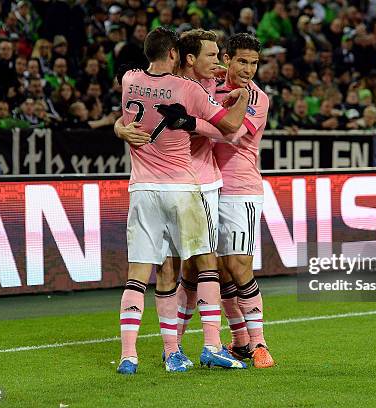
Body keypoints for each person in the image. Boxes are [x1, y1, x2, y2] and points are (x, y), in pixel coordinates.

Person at [114, 27, 249, 374]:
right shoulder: (187, 89)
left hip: (141, 189)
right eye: (211, 55)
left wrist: (119, 126)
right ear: (177, 54)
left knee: (148, 273)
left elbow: (132, 101)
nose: (218, 62)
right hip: (182, 187)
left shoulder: (130, 79)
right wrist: (242, 96)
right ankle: (211, 345)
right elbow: (232, 128)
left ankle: (135, 356)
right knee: (205, 264)